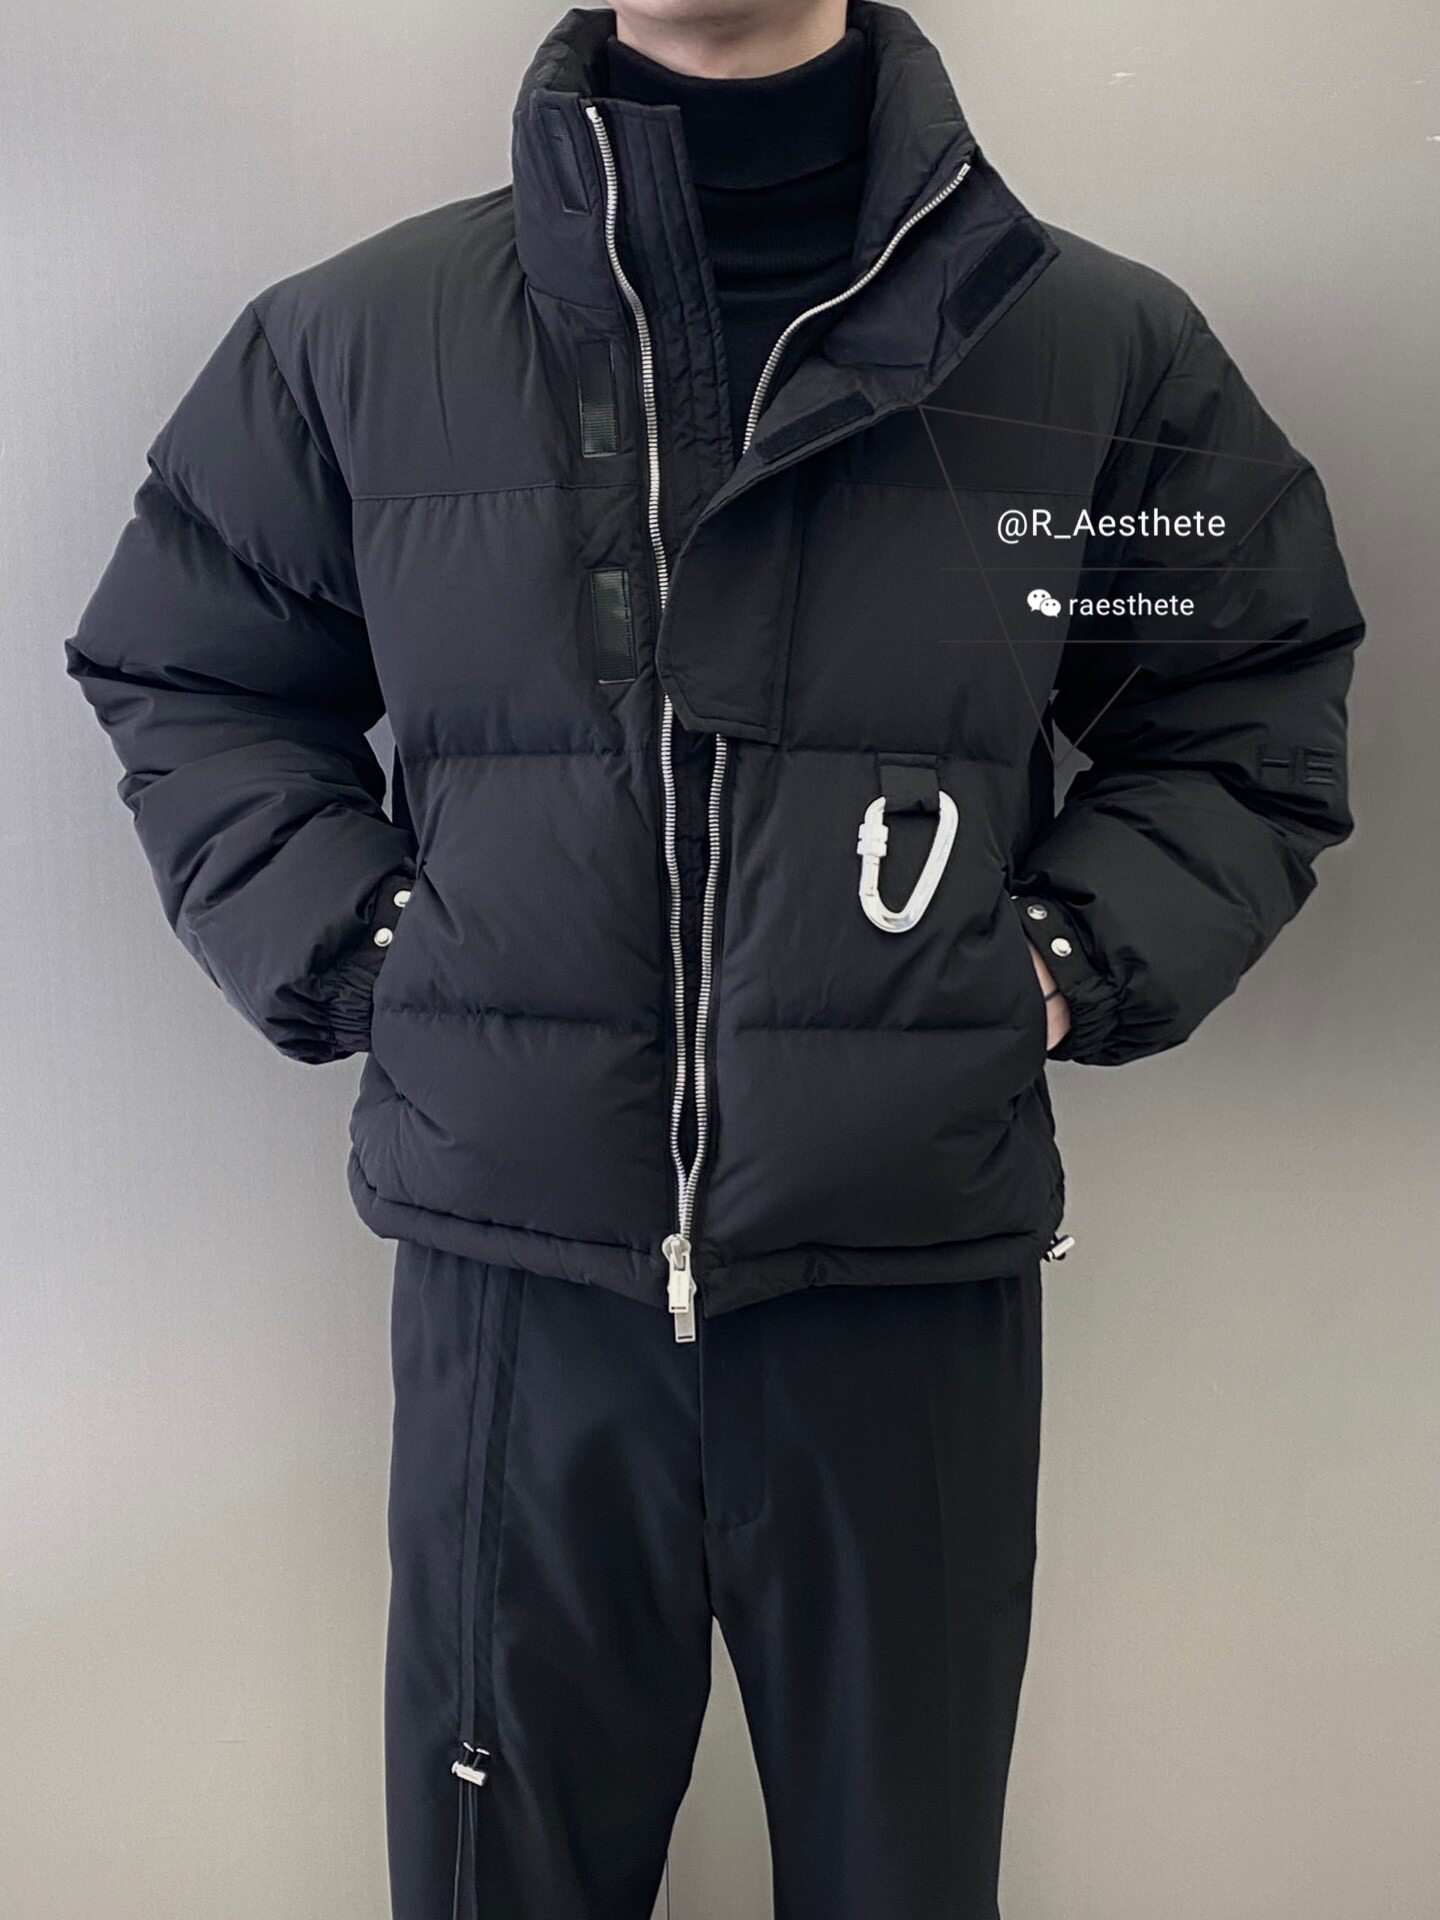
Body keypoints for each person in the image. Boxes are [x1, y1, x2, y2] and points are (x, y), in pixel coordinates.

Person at [65, 2, 1363, 1915]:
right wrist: (375, 951)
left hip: (901, 1284)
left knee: (901, 1882)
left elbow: (1245, 703)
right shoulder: (356, 340)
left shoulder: (1087, 352)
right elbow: (193, 671)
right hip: (521, 1297)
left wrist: (1056, 962)